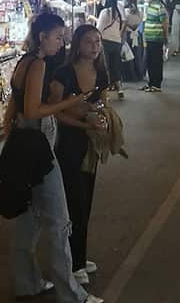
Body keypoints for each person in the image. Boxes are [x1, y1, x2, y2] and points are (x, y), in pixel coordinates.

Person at [3, 13, 101, 303]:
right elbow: (34, 110)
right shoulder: (38, 65)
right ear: (43, 36)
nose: (62, 41)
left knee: (28, 219)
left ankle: (27, 283)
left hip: (24, 141)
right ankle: (72, 294)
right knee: (60, 221)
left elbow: (16, 107)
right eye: (58, 36)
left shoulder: (23, 63)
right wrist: (69, 102)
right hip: (39, 143)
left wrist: (11, 135)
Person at [50, 25, 109, 286]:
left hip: (90, 146)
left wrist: (102, 119)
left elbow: (103, 105)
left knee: (86, 201)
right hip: (67, 144)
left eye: (97, 41)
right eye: (88, 42)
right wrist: (85, 123)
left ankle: (80, 257)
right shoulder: (63, 73)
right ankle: (72, 264)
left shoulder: (101, 72)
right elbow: (54, 111)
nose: (95, 46)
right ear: (77, 44)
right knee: (74, 203)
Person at [96, 0, 125, 100]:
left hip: (105, 42)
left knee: (105, 68)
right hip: (117, 42)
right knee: (115, 67)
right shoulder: (118, 13)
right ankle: (120, 89)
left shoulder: (105, 12)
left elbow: (98, 28)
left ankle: (106, 93)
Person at [142, 0, 169, 93]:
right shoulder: (150, 6)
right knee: (149, 62)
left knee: (156, 62)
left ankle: (156, 84)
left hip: (157, 38)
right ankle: (151, 83)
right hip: (149, 38)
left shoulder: (159, 6)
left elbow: (165, 23)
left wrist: (166, 37)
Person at [123, 0, 143, 81]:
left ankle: (130, 76)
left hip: (128, 35)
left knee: (128, 56)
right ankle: (139, 75)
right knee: (137, 56)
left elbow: (124, 23)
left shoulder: (125, 13)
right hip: (137, 35)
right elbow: (139, 23)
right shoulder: (140, 13)